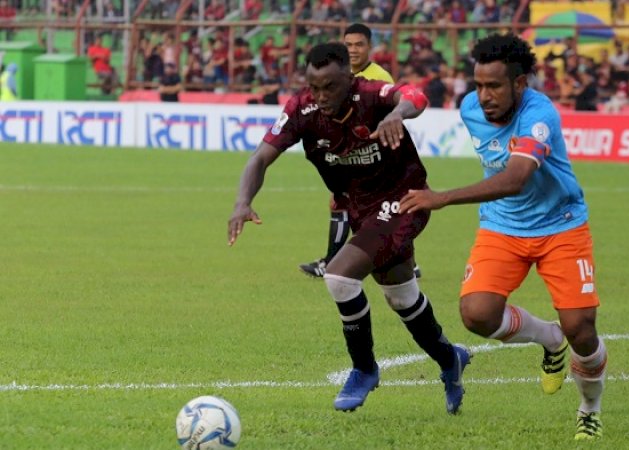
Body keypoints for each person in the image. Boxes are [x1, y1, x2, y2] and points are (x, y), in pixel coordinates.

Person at [227, 42, 470, 415]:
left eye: (330, 87)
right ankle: (449, 358)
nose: (321, 96)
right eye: (314, 86)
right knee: (401, 296)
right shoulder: (301, 109)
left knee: (339, 276)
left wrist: (397, 114)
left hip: (406, 199)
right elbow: (260, 157)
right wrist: (242, 201)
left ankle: (363, 368)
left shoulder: (373, 96)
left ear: (349, 78)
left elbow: (414, 96)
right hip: (362, 211)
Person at [399, 34, 607, 440]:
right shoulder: (470, 109)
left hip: (561, 225)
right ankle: (549, 338)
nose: (484, 95)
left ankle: (589, 408)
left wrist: (441, 198)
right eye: (478, 85)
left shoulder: (539, 114)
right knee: (477, 314)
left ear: (520, 84)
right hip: (502, 226)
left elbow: (515, 178)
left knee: (581, 328)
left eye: (494, 85)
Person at [299, 23, 422, 280]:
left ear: (370, 47)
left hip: (379, 159)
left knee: (383, 211)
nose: (353, 50)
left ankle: (334, 261)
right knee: (342, 204)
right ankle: (336, 259)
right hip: (352, 156)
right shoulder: (335, 76)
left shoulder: (379, 78)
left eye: (359, 45)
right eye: (349, 45)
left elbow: (391, 110)